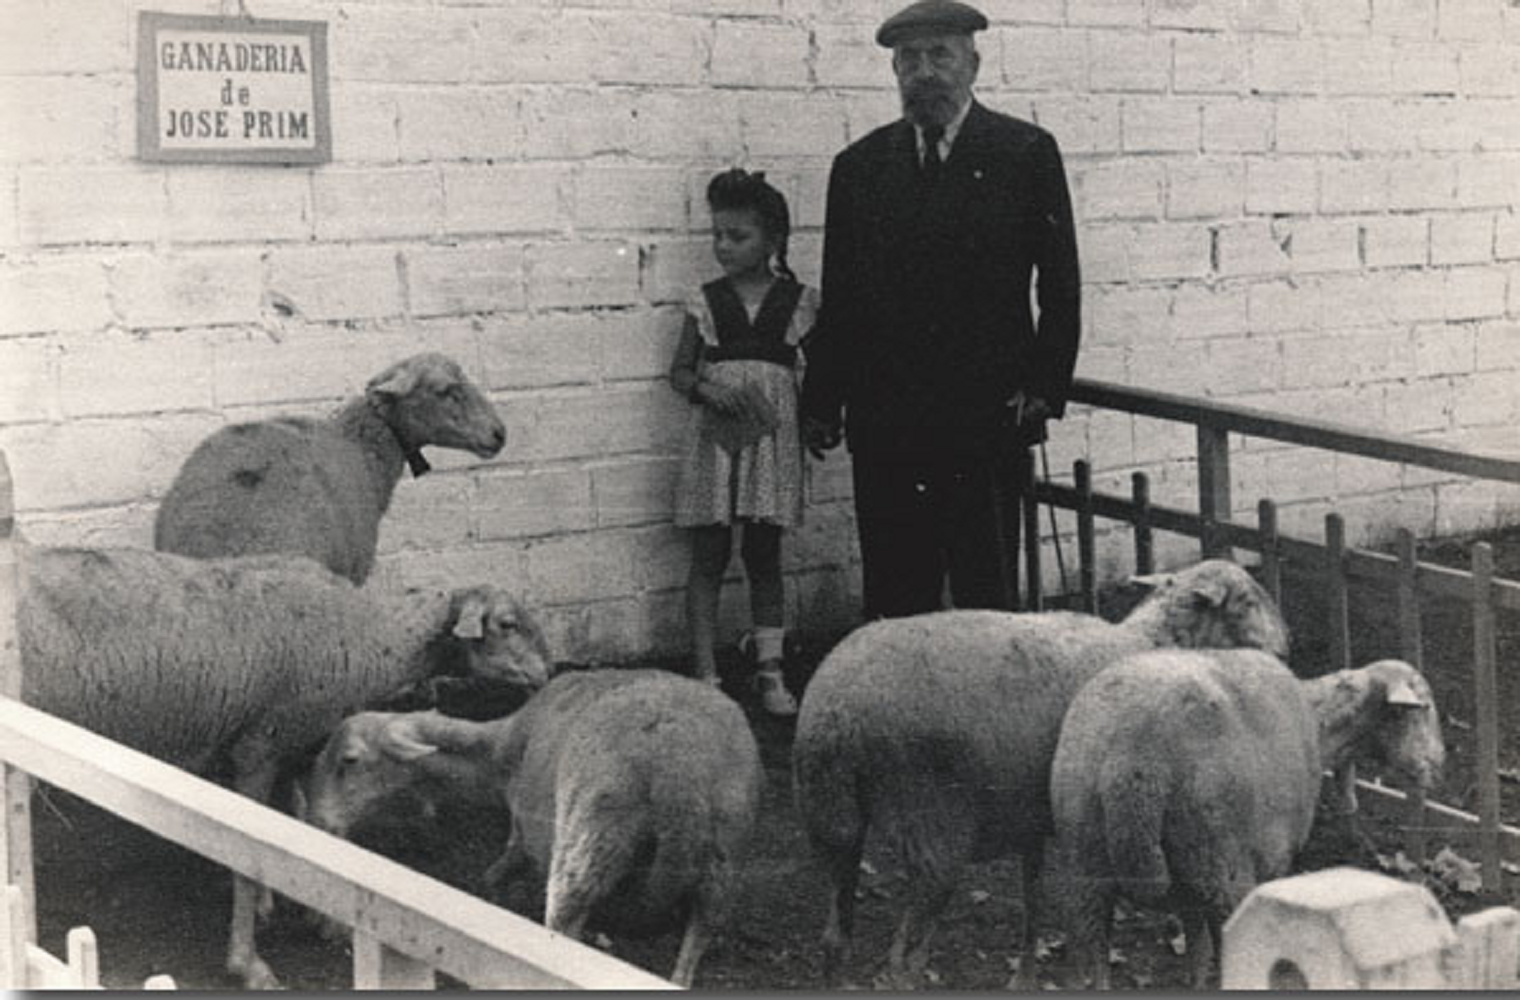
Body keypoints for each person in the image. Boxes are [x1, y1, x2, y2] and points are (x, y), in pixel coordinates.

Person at [800, 0, 1081, 619]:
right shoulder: (859, 168)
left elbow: (1060, 283)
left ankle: (990, 716)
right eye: (910, 59)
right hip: (888, 417)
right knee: (898, 593)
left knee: (986, 591)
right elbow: (841, 294)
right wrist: (823, 399)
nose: (924, 72)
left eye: (940, 55)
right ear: (895, 71)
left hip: (984, 413)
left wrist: (1042, 386)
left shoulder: (1024, 152)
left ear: (972, 65)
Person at [669, 168, 819, 716]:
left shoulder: (800, 302)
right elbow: (679, 373)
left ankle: (770, 670)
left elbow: (821, 377)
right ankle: (705, 673)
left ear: (773, 241)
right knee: (709, 553)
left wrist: (820, 423)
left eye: (739, 236)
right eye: (718, 236)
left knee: (764, 554)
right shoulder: (706, 302)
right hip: (716, 439)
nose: (724, 247)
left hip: (771, 441)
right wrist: (708, 388)